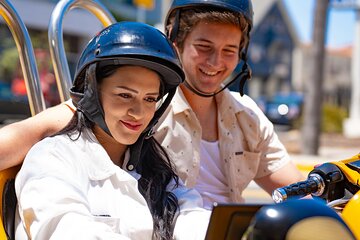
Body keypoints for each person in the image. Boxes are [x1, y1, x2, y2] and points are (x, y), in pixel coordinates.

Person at [0, 0, 304, 209]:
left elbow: (299, 192)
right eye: (204, 47)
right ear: (174, 41)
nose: (216, 62)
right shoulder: (144, 102)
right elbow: (33, 132)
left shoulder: (247, 115)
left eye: (229, 50)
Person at [14, 21, 210, 240]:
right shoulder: (52, 158)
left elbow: (191, 216)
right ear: (91, 94)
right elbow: (66, 229)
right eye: (125, 95)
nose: (138, 112)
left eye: (150, 99)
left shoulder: (157, 168)